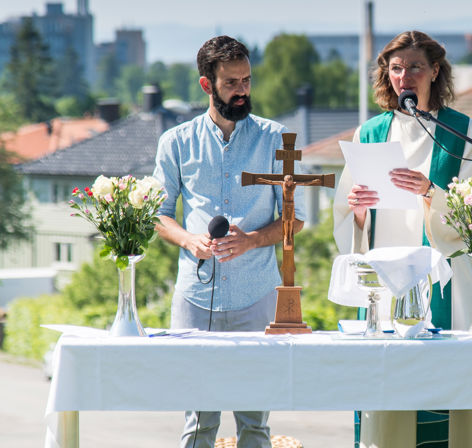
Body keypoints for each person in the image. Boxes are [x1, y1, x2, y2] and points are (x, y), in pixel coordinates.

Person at [332, 31, 472, 448]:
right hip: (384, 289)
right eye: (396, 69)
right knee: (390, 409)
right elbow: (348, 218)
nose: (405, 77)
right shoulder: (371, 132)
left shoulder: (462, 129)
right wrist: (359, 209)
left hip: (445, 287)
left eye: (416, 67)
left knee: (447, 403)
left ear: (435, 71)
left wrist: (429, 191)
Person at [153, 35, 306, 448]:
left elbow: (296, 219)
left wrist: (253, 239)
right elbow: (158, 213)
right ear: (207, 85)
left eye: (247, 80)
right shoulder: (176, 142)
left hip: (257, 296)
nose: (242, 91)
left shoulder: (277, 138)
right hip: (195, 297)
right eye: (231, 83)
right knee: (199, 423)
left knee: (254, 424)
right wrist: (189, 241)